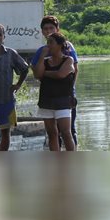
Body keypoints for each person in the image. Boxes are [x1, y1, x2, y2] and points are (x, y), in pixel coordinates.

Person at [30, 15, 78, 148]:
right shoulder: (42, 53)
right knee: (52, 133)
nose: (48, 31)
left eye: (51, 28)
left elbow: (63, 73)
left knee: (68, 131)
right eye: (45, 29)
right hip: (47, 98)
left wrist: (70, 90)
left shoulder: (68, 53)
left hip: (65, 97)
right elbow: (37, 74)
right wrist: (42, 59)